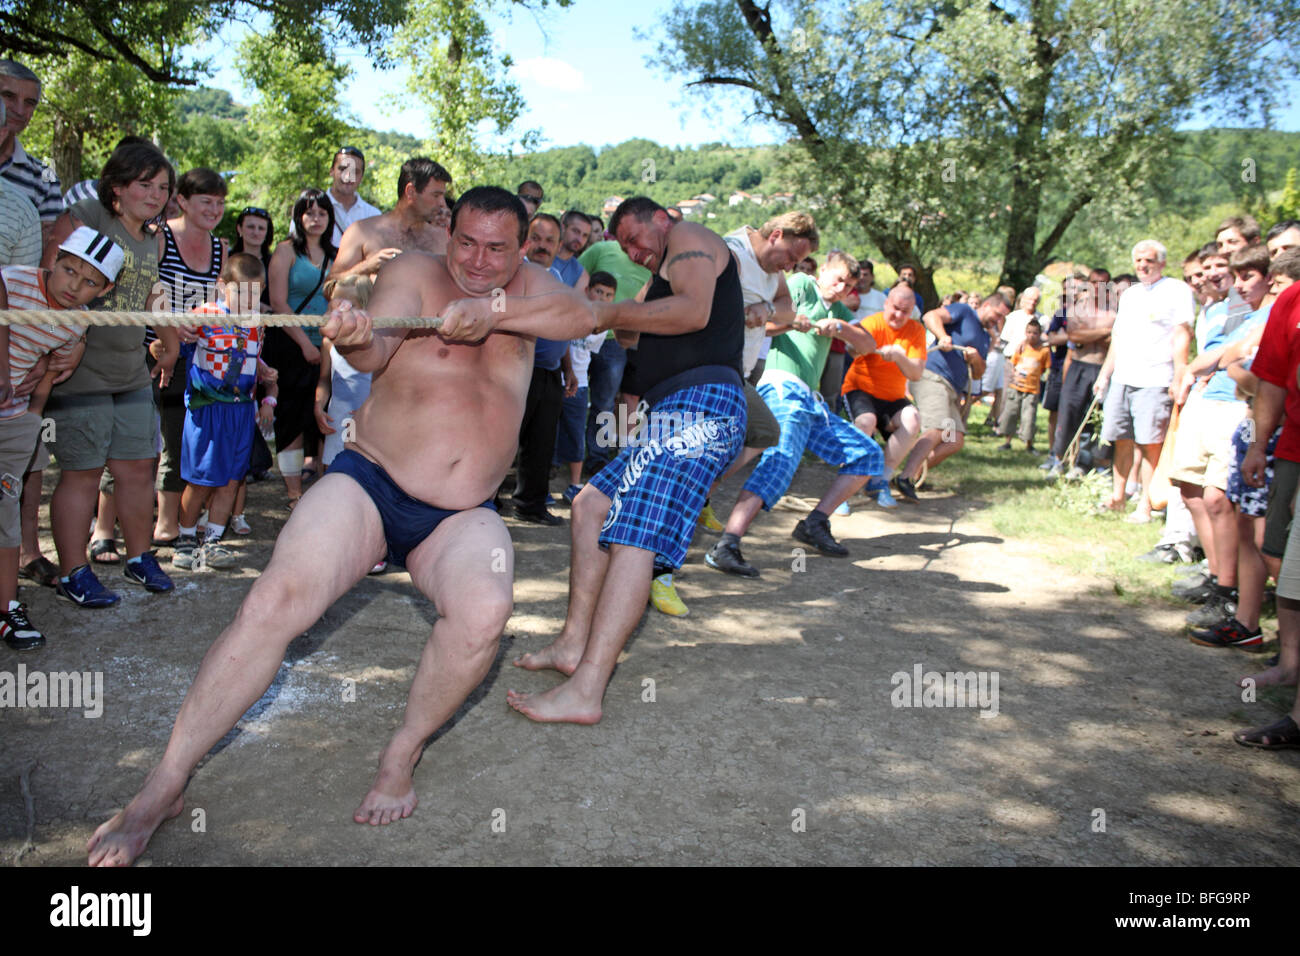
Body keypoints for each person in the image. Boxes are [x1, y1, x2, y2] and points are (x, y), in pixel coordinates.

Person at [86, 186, 602, 866]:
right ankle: (164, 783)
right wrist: (358, 340)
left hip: (461, 512)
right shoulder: (414, 272)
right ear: (449, 234)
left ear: (522, 243)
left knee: (484, 613)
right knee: (275, 600)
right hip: (370, 480)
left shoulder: (538, 289)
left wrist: (494, 308)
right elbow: (377, 349)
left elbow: (585, 314)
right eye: (466, 243)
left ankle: (402, 750)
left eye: (496, 248)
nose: (477, 261)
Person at [508, 196, 750, 724]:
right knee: (592, 503)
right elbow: (627, 333)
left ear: (660, 219)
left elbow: (692, 312)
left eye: (634, 239)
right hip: (672, 412)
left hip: (705, 405)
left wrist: (608, 311)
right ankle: (573, 645)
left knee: (634, 531)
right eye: (621, 247)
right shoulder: (656, 274)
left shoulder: (691, 238)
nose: (633, 252)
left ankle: (588, 690)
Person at [41, 141, 180, 606]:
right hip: (78, 375)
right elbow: (49, 279)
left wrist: (171, 341)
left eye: (163, 187)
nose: (156, 195)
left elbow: (149, 294)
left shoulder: (152, 238)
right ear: (117, 186)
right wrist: (64, 342)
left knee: (138, 468)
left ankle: (140, 558)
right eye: (145, 184)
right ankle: (73, 572)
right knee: (82, 473)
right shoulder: (87, 216)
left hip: (131, 373)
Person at [703, 250, 884, 579]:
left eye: (849, 286)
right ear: (824, 269)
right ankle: (726, 544)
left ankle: (815, 523)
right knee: (780, 461)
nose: (842, 288)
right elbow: (762, 324)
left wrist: (841, 327)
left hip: (811, 400)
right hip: (782, 386)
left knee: (867, 454)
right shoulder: (801, 284)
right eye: (838, 278)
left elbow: (868, 345)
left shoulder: (838, 309)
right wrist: (790, 323)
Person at [0, 227, 120, 648]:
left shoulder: (76, 323)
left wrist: (31, 419)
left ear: (104, 291)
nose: (74, 286)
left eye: (90, 282)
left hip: (14, 417)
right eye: (69, 270)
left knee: (5, 511)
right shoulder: (11, 281)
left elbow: (49, 373)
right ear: (54, 259)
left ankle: (6, 608)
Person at [171, 254, 277, 572]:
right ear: (222, 286)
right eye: (241, 292)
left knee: (232, 479)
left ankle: (213, 541)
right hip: (208, 409)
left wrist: (264, 370)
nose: (248, 300)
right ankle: (186, 539)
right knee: (202, 479)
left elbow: (247, 353)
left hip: (241, 410)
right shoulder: (205, 314)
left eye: (255, 293)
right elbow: (176, 342)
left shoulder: (258, 323)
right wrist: (163, 346)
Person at [144, 167, 228, 557]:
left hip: (196, 358)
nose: (214, 209)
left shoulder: (220, 248)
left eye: (220, 202)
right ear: (182, 201)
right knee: (145, 441)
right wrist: (171, 329)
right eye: (206, 201)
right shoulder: (160, 237)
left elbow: (217, 300)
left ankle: (170, 523)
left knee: (182, 440)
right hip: (153, 352)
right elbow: (145, 288)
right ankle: (134, 523)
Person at [1093, 240, 1195, 522]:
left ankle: (1146, 504)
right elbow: (1118, 337)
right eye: (1138, 260)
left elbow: (1182, 334)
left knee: (1150, 443)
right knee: (1120, 438)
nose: (1142, 265)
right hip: (1124, 377)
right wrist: (1105, 374)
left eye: (1148, 260)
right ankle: (1118, 496)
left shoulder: (1176, 290)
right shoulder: (1131, 295)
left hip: (1155, 378)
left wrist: (1179, 373)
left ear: (1161, 262)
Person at [266, 187, 335, 508]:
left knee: (325, 419)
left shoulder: (337, 254)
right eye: (310, 212)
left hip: (329, 343)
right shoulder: (285, 251)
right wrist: (305, 344)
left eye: (322, 212)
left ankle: (323, 489)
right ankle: (294, 493)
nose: (316, 219)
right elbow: (278, 301)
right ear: (299, 216)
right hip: (291, 345)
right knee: (291, 418)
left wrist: (324, 343)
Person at [897, 293, 1007, 485]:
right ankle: (905, 477)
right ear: (987, 304)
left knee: (953, 439)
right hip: (932, 378)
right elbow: (930, 316)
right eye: (997, 315)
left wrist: (976, 359)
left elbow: (979, 373)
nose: (997, 320)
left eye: (1001, 318)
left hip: (952, 389)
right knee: (937, 428)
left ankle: (912, 475)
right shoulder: (964, 311)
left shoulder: (984, 337)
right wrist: (943, 336)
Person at [842, 284, 927, 500]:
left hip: (893, 396)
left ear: (912, 312)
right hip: (860, 389)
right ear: (886, 303)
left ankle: (879, 480)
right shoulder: (872, 323)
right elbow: (852, 349)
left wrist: (900, 357)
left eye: (905, 311)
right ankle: (844, 484)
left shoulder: (916, 331)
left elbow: (916, 373)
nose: (898, 315)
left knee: (912, 418)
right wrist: (863, 345)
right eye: (895, 308)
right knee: (865, 422)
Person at [330, 158, 452, 279]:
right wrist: (366, 268)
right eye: (436, 195)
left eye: (442, 196)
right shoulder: (362, 232)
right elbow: (330, 285)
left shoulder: (443, 239)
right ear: (410, 192)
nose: (442, 203)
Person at [0, 60, 61, 246]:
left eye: (29, 103)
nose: (19, 110)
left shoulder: (46, 176)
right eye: (8, 96)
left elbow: (47, 249)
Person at [997, 319, 1050, 453]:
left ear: (1040, 334)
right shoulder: (1021, 348)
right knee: (1011, 413)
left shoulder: (1044, 351)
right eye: (1029, 332)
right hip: (1016, 387)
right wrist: (1015, 375)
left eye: (1035, 333)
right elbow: (1013, 364)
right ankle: (1007, 441)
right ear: (1025, 333)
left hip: (1032, 389)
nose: (1032, 335)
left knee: (1029, 417)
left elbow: (1045, 368)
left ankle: (1029, 444)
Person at [325, 146, 380, 247]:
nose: (348, 176)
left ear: (362, 177)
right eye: (343, 169)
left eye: (355, 171)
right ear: (331, 171)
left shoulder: (373, 216)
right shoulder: (309, 209)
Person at [551, 210, 591, 291]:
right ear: (563, 228)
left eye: (585, 235)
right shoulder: (540, 252)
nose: (579, 239)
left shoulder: (581, 274)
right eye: (576, 231)